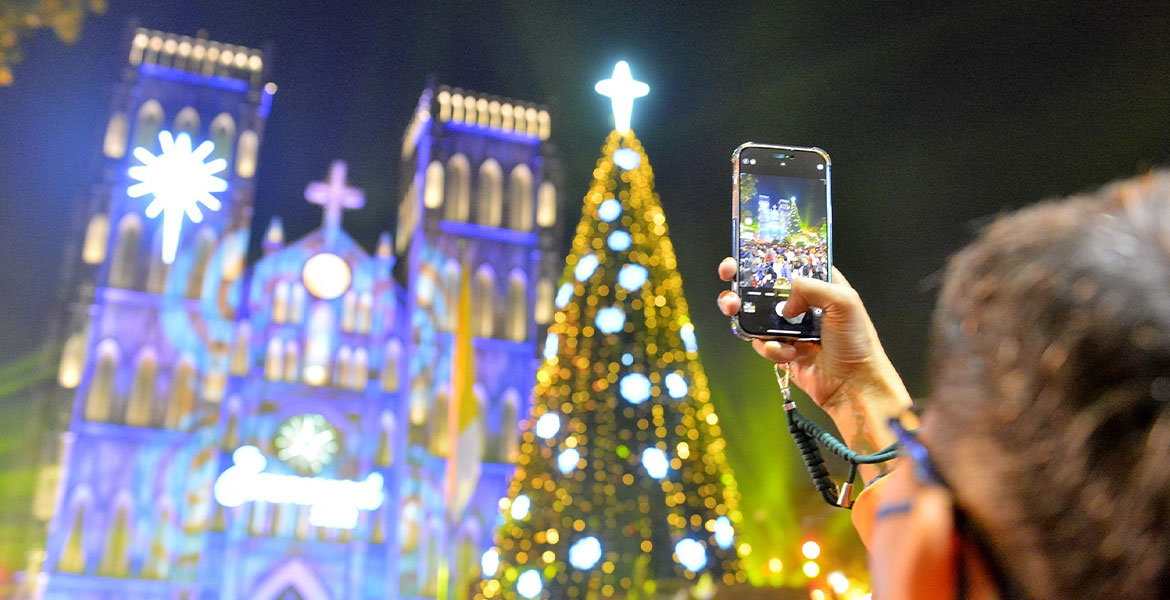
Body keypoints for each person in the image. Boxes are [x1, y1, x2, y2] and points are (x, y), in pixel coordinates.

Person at [717, 173, 1170, 599]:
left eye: (921, 443)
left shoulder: (923, 550)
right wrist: (857, 387)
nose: (902, 441)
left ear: (926, 553)